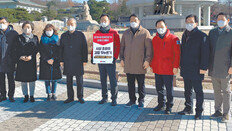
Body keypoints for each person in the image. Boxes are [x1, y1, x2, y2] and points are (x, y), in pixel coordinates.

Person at [178, 14, 209, 120]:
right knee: (187, 90)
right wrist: (180, 64)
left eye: (191, 22)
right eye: (187, 22)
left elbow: (205, 53)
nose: (189, 24)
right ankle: (188, 107)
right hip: (186, 67)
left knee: (198, 91)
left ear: (196, 23)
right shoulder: (184, 34)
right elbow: (182, 51)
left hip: (197, 68)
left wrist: (203, 67)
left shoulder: (202, 36)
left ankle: (199, 111)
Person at [120, 14, 153, 109]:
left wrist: (147, 60)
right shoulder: (126, 33)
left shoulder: (145, 32)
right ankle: (132, 100)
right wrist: (121, 59)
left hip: (140, 63)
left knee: (141, 84)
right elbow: (122, 47)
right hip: (129, 63)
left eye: (135, 20)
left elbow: (149, 48)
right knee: (130, 83)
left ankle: (141, 100)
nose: (133, 22)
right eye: (131, 20)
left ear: (139, 21)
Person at [150, 19, 180, 114]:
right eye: (158, 27)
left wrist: (176, 66)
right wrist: (152, 65)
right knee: (159, 88)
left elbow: (177, 54)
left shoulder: (174, 39)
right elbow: (152, 53)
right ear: (156, 28)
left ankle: (169, 105)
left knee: (169, 89)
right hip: (158, 68)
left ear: (166, 27)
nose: (160, 29)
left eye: (162, 27)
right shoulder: (154, 39)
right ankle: (161, 104)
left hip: (168, 69)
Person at [91, 14, 120, 106]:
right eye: (102, 20)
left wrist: (115, 57)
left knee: (112, 79)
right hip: (101, 60)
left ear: (109, 21)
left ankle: (114, 98)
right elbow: (94, 46)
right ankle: (104, 97)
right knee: (102, 79)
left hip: (110, 60)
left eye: (105, 20)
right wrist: (92, 57)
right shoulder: (97, 33)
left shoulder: (114, 32)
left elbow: (118, 46)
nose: (103, 22)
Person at [208, 12, 232, 122]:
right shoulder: (212, 32)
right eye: (218, 19)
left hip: (225, 67)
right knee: (216, 91)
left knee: (226, 91)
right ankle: (218, 111)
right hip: (213, 67)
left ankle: (226, 113)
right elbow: (208, 50)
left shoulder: (230, 32)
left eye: (222, 19)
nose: (220, 21)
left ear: (227, 20)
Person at [60, 18, 88, 104]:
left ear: (75, 25)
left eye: (72, 24)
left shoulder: (80, 35)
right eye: (68, 24)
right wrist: (61, 60)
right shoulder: (64, 35)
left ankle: (80, 97)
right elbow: (61, 49)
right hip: (67, 60)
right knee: (69, 81)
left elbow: (85, 48)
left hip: (78, 60)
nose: (70, 26)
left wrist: (84, 60)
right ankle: (70, 97)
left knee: (79, 81)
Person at [15, 21, 39, 103]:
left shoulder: (35, 38)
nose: (26, 29)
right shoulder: (18, 37)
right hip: (21, 61)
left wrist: (31, 56)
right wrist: (20, 56)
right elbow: (16, 49)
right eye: (25, 27)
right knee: (23, 80)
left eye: (28, 27)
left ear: (32, 28)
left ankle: (32, 95)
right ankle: (25, 95)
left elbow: (36, 49)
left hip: (31, 61)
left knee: (32, 80)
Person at [39, 24, 62, 101]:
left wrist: (53, 59)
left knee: (54, 79)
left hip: (55, 61)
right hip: (45, 61)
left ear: (53, 30)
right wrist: (47, 59)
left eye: (50, 30)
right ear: (45, 31)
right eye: (47, 30)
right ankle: (48, 93)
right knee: (47, 79)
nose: (49, 32)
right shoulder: (42, 39)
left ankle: (54, 93)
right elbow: (41, 51)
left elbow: (59, 51)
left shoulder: (57, 39)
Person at [0, 17, 18, 102]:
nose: (2, 24)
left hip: (10, 60)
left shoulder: (13, 33)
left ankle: (11, 96)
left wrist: (14, 58)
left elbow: (18, 46)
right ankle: (3, 95)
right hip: (0, 60)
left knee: (11, 79)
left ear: (8, 23)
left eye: (3, 22)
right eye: (0, 23)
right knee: (1, 80)